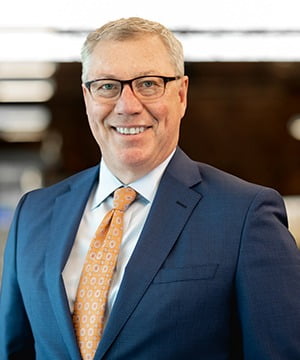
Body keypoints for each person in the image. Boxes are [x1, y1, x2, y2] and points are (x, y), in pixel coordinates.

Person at [1, 16, 300, 360]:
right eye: (107, 86)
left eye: (148, 84)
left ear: (181, 94)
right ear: (87, 97)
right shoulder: (33, 214)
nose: (127, 106)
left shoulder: (246, 216)